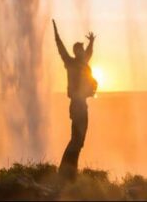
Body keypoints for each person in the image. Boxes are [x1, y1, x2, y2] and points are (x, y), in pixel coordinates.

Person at [53, 19, 97, 179]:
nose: (83, 52)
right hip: (77, 105)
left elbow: (89, 53)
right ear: (76, 51)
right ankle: (66, 171)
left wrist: (91, 42)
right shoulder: (70, 62)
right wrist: (56, 36)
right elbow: (61, 50)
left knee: (80, 140)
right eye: (81, 50)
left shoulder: (83, 62)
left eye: (83, 50)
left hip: (83, 104)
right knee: (76, 139)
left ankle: (70, 171)